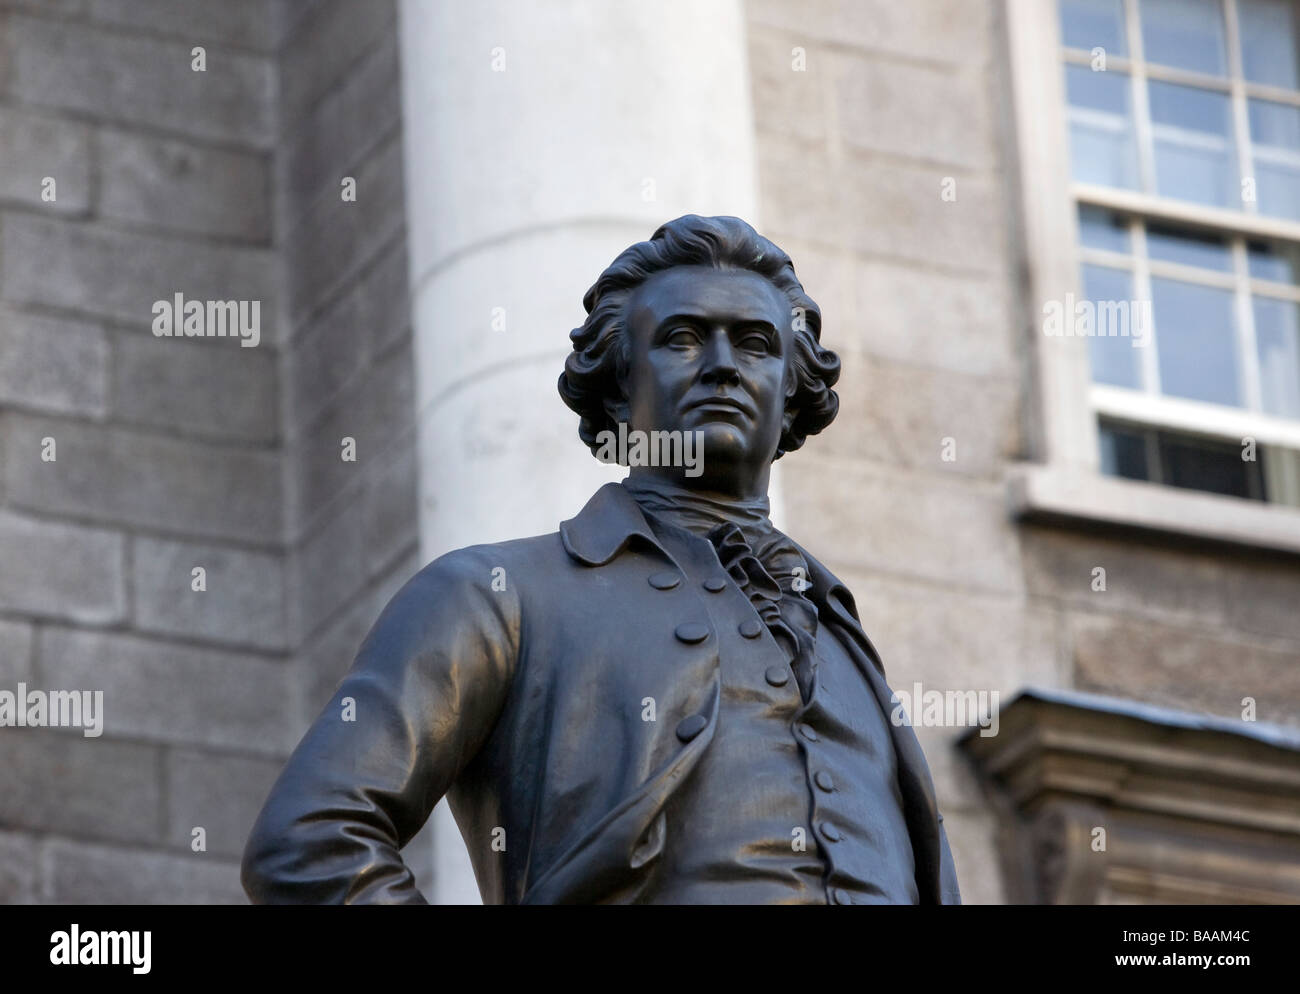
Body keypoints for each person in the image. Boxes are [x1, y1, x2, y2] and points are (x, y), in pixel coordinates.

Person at [241, 214, 961, 905]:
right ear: (618, 385)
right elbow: (311, 839)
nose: (721, 367)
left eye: (755, 344)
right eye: (682, 339)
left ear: (792, 389)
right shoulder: (497, 595)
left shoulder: (839, 631)